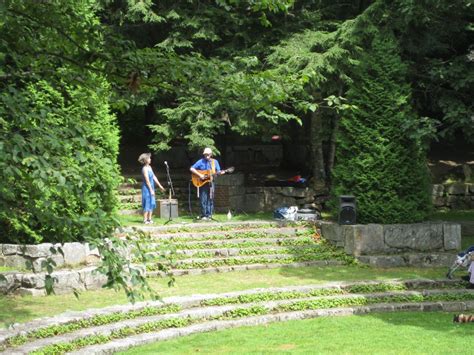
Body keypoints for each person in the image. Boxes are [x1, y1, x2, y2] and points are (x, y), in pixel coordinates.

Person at [190, 147, 225, 220]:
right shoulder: (200, 161)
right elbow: (192, 168)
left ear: (211, 154)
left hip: (211, 182)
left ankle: (209, 215)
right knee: (203, 199)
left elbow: (218, 171)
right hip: (202, 183)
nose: (206, 156)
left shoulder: (215, 162)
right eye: (205, 154)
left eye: (208, 154)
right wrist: (200, 175)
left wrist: (220, 173)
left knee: (210, 198)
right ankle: (203, 215)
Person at [138, 153, 165, 224]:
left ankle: (149, 219)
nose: (150, 159)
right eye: (149, 158)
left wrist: (160, 185)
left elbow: (153, 177)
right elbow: (147, 180)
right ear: (146, 160)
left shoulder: (149, 167)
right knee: (147, 202)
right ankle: (145, 219)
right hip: (147, 188)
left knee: (151, 202)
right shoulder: (144, 169)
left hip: (151, 187)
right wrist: (151, 190)